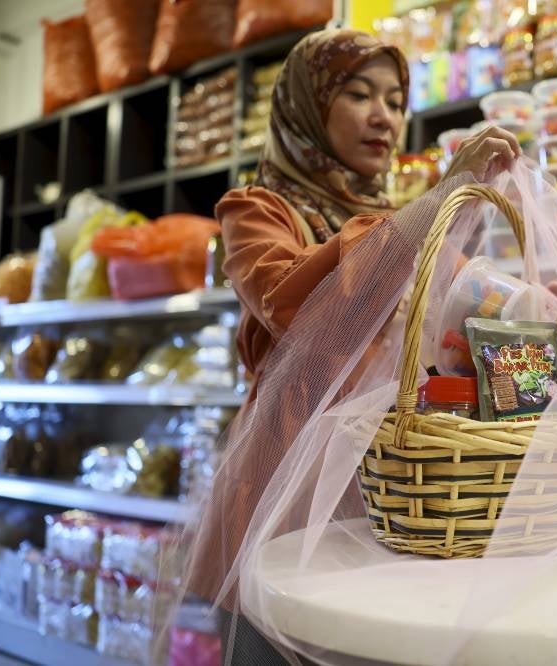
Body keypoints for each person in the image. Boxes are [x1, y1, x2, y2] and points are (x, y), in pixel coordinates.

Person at [181, 28, 520, 665]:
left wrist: (530, 313)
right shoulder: (258, 211)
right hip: (287, 482)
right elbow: (296, 304)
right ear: (308, 107)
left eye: (395, 100)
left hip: (394, 484)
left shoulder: (407, 216)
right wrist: (439, 198)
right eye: (359, 93)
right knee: (276, 644)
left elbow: (453, 324)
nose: (383, 117)